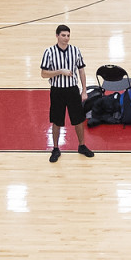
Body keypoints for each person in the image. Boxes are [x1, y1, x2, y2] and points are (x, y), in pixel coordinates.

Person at [40, 24, 93, 162]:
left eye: (68, 35)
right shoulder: (49, 52)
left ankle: (82, 146)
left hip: (72, 90)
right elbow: (43, 74)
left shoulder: (75, 50)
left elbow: (81, 70)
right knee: (57, 120)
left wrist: (84, 90)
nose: (66, 38)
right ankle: (56, 148)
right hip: (57, 91)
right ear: (57, 36)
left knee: (78, 120)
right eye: (63, 35)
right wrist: (60, 71)